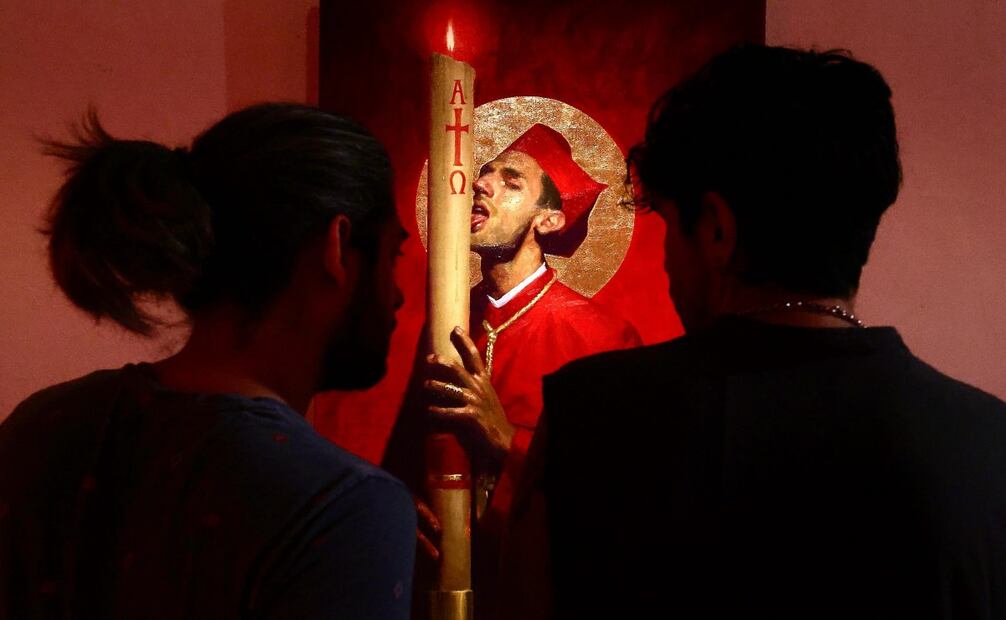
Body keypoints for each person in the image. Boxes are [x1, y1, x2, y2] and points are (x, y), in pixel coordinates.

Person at [517, 44, 1006, 619]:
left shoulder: (590, 413)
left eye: (671, 228)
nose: (669, 262)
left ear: (717, 230)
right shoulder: (987, 442)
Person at [0, 103, 416, 619]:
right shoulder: (343, 507)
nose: (397, 296)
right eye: (394, 256)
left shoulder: (42, 426)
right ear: (338, 248)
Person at [383, 123, 639, 616]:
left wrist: (508, 439)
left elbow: (617, 501)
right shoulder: (447, 322)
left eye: (511, 181)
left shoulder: (602, 336)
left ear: (548, 220)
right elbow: (408, 454)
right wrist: (405, 505)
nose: (482, 184)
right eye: (483, 174)